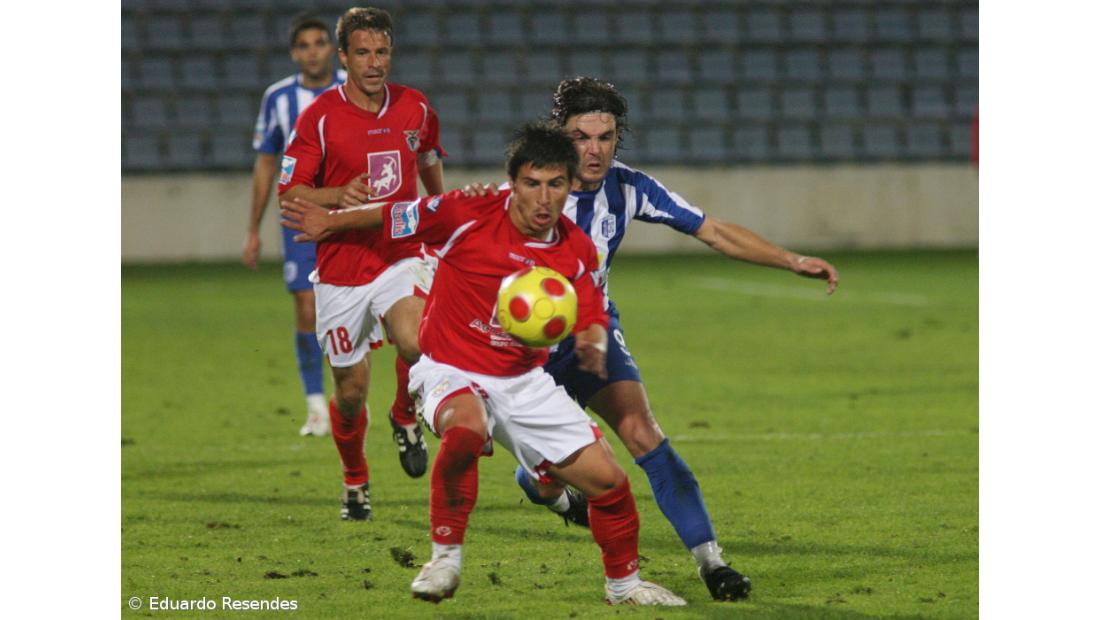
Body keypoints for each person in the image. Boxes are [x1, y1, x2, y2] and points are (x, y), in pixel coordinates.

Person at [281, 122, 687, 606]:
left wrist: (594, 336)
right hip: (448, 367)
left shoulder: (573, 247)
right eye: (532, 183)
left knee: (610, 484)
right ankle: (445, 559)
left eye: (556, 184)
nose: (543, 198)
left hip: (522, 380)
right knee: (466, 431)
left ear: (570, 185)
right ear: (512, 182)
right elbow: (395, 214)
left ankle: (624, 586)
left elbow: (591, 307)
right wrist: (330, 223)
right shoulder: (464, 213)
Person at [485, 77, 838, 602]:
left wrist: (790, 260)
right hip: (520, 351)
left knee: (645, 434)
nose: (595, 149)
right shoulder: (523, 195)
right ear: (561, 136)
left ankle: (711, 562)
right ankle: (550, 492)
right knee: (545, 479)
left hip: (593, 333)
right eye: (582, 137)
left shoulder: (630, 188)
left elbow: (712, 230)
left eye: (605, 137)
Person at [278, 7, 445, 520]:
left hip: (401, 254)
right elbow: (292, 195)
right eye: (364, 53)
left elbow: (428, 158)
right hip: (341, 269)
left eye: (383, 52)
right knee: (349, 395)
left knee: (418, 341)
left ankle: (403, 412)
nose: (375, 64)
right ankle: (355, 480)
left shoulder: (415, 107)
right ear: (344, 57)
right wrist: (337, 195)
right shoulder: (320, 118)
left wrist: (444, 221)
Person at [242, 12, 346, 438]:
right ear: (294, 53)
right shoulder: (278, 98)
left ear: (331, 49)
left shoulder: (352, 87)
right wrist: (253, 228)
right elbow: (266, 164)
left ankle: (351, 400)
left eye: (319, 43)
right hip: (299, 215)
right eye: (304, 45)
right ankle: (318, 407)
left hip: (350, 213)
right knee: (307, 308)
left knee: (356, 312)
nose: (312, 52)